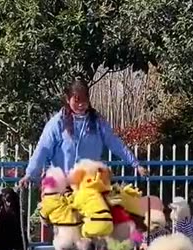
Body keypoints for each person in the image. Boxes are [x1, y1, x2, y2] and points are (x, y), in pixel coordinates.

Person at [18, 77, 147, 187]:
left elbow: (115, 143)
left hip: (90, 184)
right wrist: (30, 174)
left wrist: (135, 164)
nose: (81, 104)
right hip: (63, 184)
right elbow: (43, 149)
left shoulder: (96, 121)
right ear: (68, 99)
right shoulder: (58, 123)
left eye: (84, 100)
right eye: (76, 100)